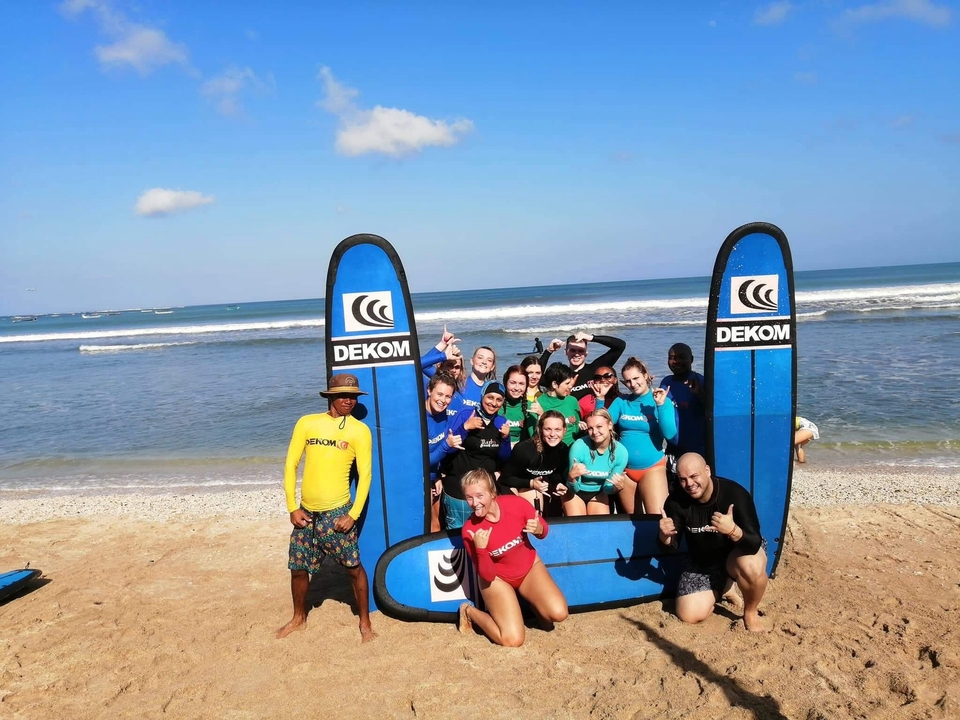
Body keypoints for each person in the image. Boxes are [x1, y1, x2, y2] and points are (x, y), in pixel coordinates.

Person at [278, 373, 376, 642]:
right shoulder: (307, 423)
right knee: (298, 568)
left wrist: (352, 514)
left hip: (337, 513)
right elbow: (290, 465)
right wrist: (292, 507)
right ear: (330, 396)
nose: (349, 400)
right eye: (344, 395)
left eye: (353, 396)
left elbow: (365, 475)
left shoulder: (359, 430)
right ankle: (299, 617)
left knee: (353, 567)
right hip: (306, 513)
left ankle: (365, 622)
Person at [658, 453, 769, 632]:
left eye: (694, 476)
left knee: (752, 567)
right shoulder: (675, 502)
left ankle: (750, 611)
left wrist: (733, 530)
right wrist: (664, 536)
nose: (690, 484)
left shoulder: (734, 493)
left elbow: (754, 542)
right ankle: (723, 587)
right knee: (689, 615)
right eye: (683, 479)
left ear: (707, 471)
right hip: (702, 561)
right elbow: (670, 549)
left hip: (737, 553)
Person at [458, 469, 569, 646]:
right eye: (469, 497)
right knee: (512, 640)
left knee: (559, 613)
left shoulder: (516, 504)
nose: (474, 503)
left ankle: (536, 607)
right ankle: (469, 612)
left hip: (529, 568)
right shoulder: (470, 530)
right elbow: (486, 575)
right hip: (497, 579)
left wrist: (539, 529)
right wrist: (480, 549)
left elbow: (543, 530)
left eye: (480, 496)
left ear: (492, 493)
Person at [601, 357, 677, 515]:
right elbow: (601, 425)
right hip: (625, 471)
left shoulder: (661, 400)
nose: (633, 384)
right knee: (633, 522)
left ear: (646, 375)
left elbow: (669, 434)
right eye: (628, 381)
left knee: (658, 518)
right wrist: (600, 399)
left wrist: (661, 406)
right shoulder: (621, 402)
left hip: (652, 468)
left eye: (636, 378)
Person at [440, 381, 510, 530]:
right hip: (459, 492)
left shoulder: (500, 421)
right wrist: (465, 428)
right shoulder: (466, 414)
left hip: (486, 493)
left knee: (485, 535)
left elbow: (504, 459)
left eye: (499, 400)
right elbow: (449, 449)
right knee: (458, 537)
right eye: (490, 397)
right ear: (482, 396)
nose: (493, 403)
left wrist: (505, 439)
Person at [498, 410, 570, 516]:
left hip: (543, 488)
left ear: (564, 430)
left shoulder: (563, 449)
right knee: (534, 510)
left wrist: (559, 485)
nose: (552, 434)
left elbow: (555, 476)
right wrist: (531, 483)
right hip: (519, 486)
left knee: (555, 510)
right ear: (540, 429)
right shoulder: (524, 449)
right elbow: (505, 479)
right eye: (548, 429)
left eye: (557, 429)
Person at [564, 409, 627, 516]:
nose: (594, 432)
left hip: (599, 492)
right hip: (575, 492)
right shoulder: (579, 447)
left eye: (599, 426)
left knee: (598, 527)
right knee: (577, 525)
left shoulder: (621, 452)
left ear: (610, 425)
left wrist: (616, 488)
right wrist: (571, 478)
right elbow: (573, 488)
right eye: (590, 428)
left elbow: (608, 489)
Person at [538, 331, 626, 401]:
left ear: (586, 353)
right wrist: (549, 351)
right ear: (566, 352)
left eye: (580, 351)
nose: (576, 354)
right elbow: (538, 378)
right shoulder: (561, 375)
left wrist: (592, 338)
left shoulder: (595, 370)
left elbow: (620, 346)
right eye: (573, 350)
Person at [425, 372, 462, 532]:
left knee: (436, 523)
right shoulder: (419, 418)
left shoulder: (444, 416)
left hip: (433, 478)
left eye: (448, 396)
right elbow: (421, 462)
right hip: (416, 480)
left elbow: (436, 455)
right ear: (429, 391)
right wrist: (447, 445)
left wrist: (437, 475)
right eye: (439, 394)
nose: (443, 400)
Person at [659, 343, 706, 459]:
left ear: (692, 359)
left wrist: (701, 395)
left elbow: (714, 413)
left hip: (697, 451)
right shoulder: (666, 382)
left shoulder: (701, 381)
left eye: (682, 357)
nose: (677, 361)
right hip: (672, 451)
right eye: (672, 358)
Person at [528, 362, 581, 446]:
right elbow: (534, 437)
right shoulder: (537, 404)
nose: (570, 386)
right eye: (567, 383)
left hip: (571, 448)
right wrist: (542, 416)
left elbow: (577, 429)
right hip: (548, 450)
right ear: (555, 384)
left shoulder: (572, 401)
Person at [499, 365, 530, 447]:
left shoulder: (530, 407)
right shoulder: (496, 404)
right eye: (513, 383)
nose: (517, 388)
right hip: (500, 446)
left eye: (521, 384)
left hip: (521, 448)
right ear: (505, 383)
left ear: (526, 386)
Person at [460, 346, 498, 411]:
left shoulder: (491, 390)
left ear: (492, 367)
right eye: (480, 358)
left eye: (489, 360)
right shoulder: (459, 384)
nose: (484, 362)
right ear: (472, 361)